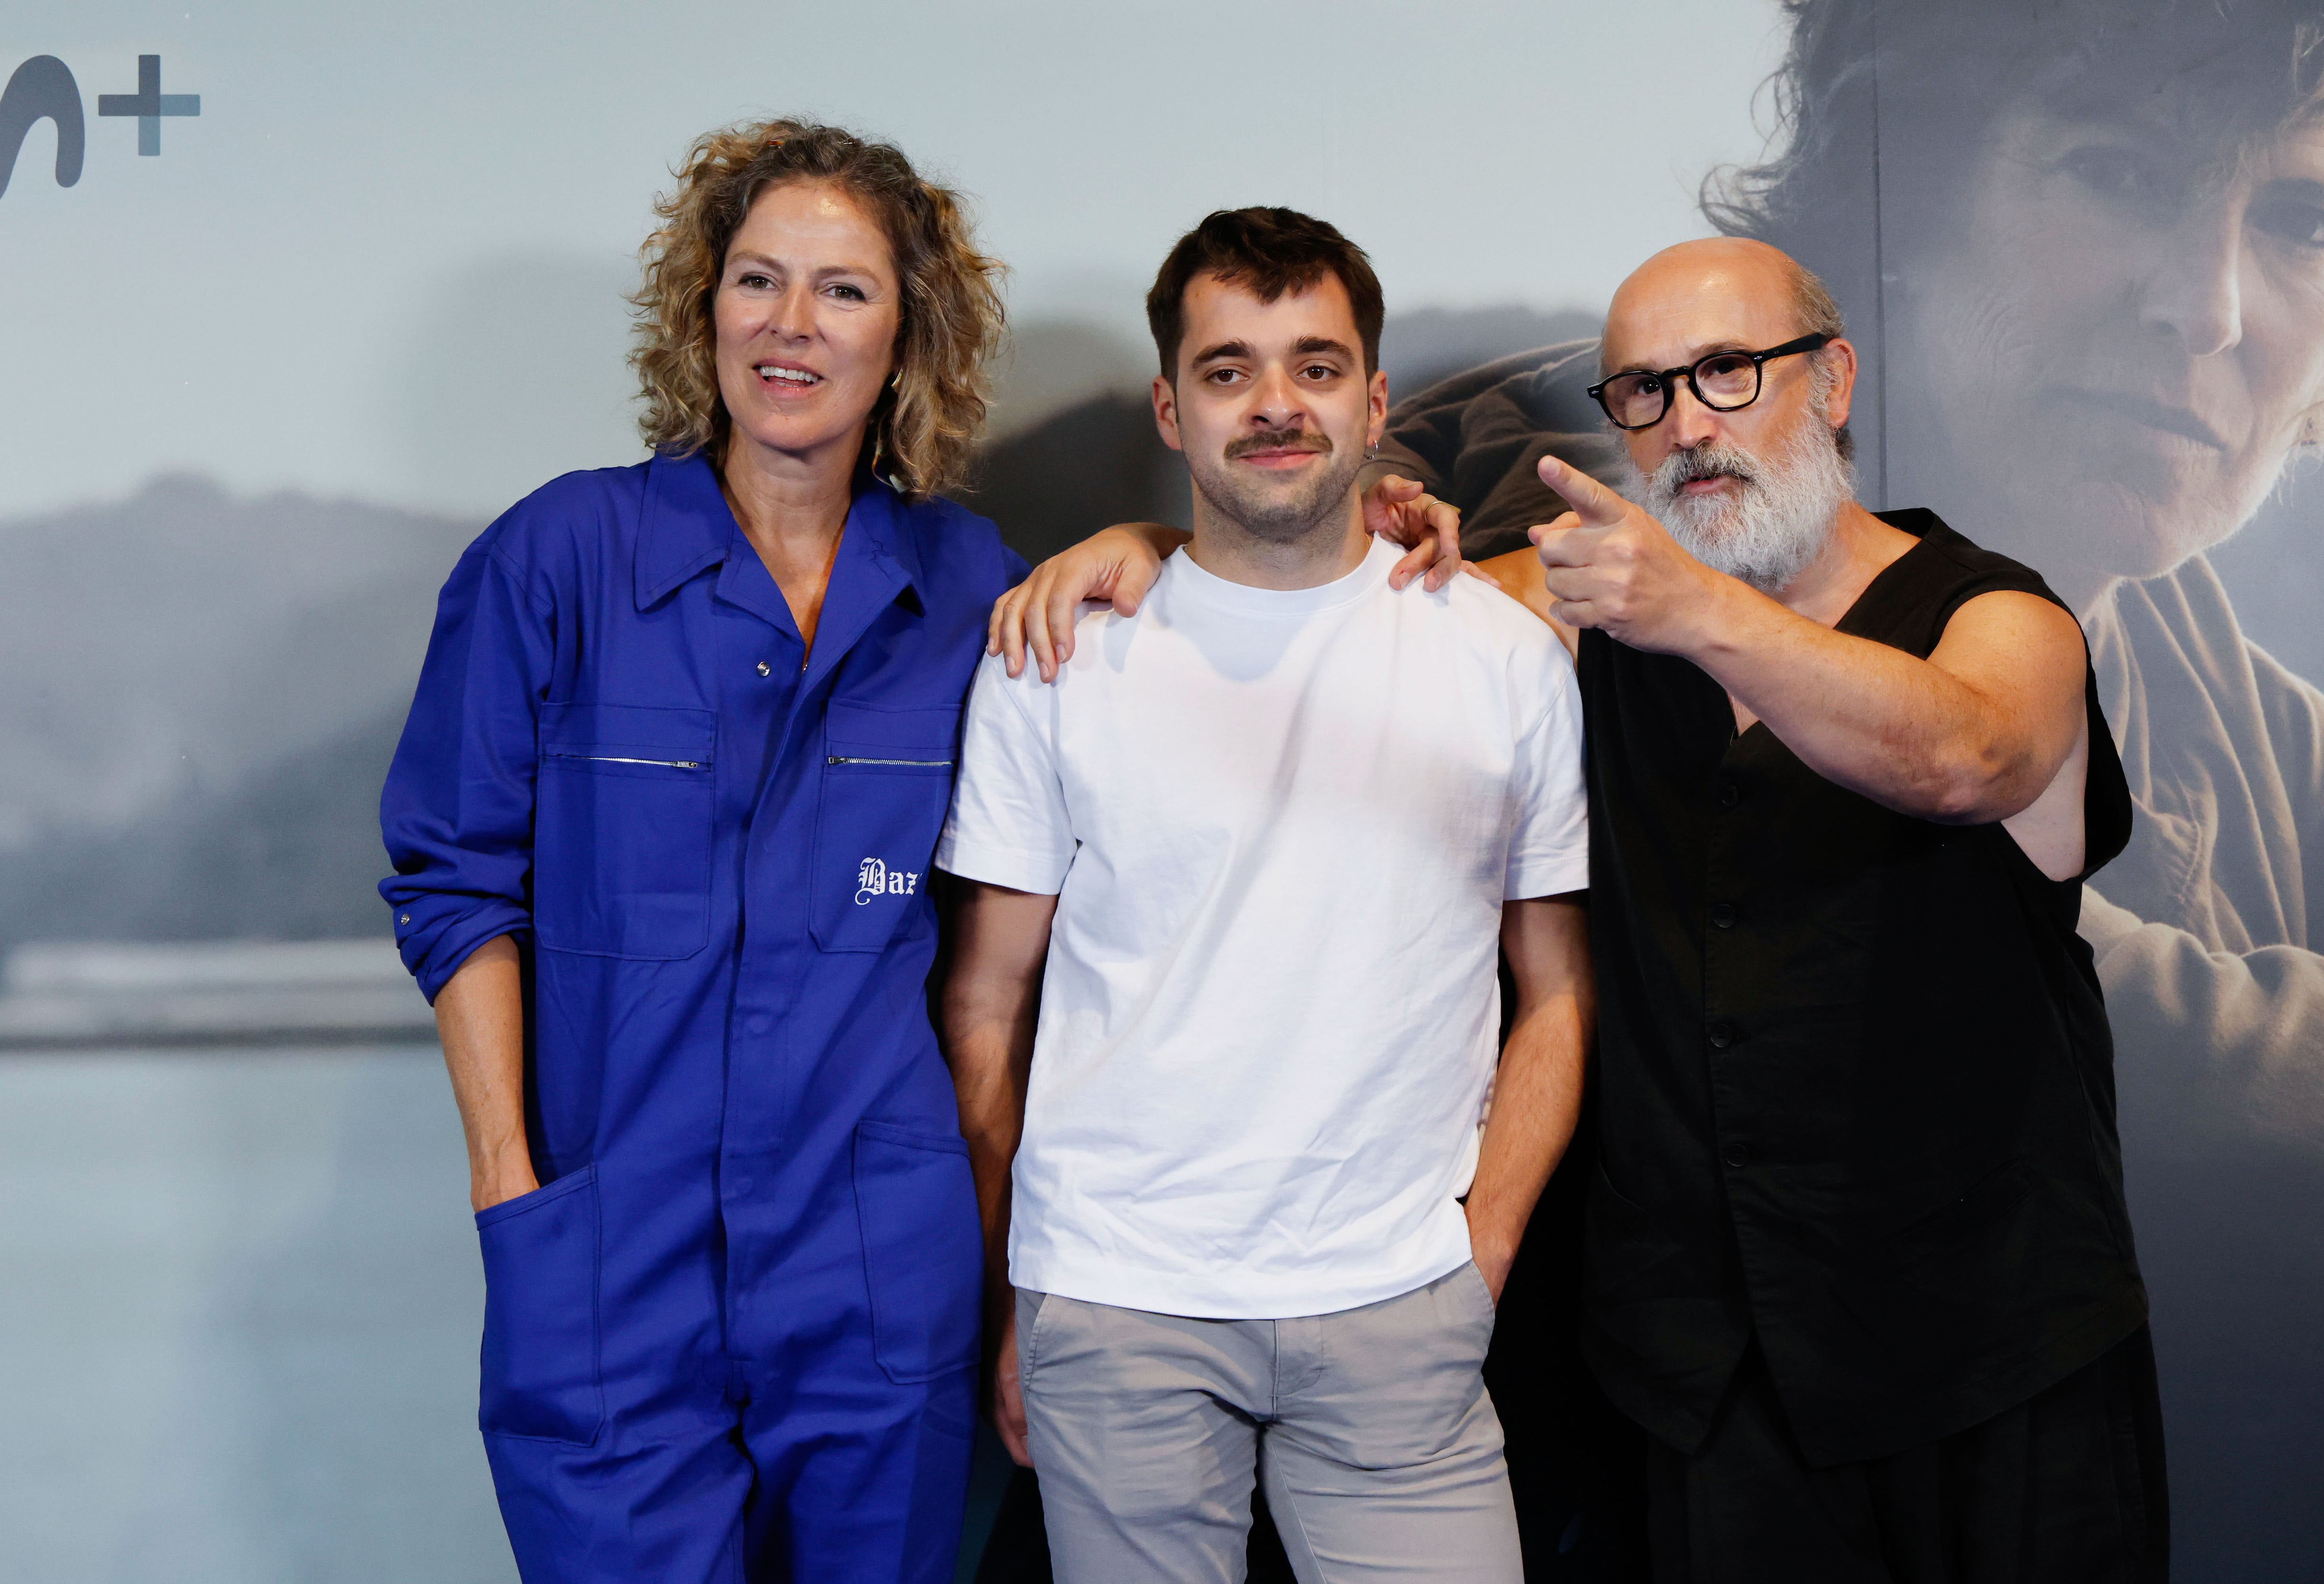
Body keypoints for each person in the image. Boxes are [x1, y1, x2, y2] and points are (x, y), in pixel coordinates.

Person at [1002, 236, 2165, 1581]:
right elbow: (1300, 580)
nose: (1688, 427)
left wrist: (1705, 611)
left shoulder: (2000, 616)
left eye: (1728, 375)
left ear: (1833, 382)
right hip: (1714, 1390)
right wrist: (1147, 546)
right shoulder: (1585, 617)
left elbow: (1970, 758)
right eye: (1645, 395)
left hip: (1996, 1362)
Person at [377, 119, 1019, 1584]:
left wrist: (1141, 547)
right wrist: (508, 1186)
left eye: (844, 290)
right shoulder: (560, 558)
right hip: (609, 1261)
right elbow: (452, 880)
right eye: (757, 280)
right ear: (703, 309)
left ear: (907, 333)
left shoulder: (972, 582)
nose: (791, 326)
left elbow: (1181, 645)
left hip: (874, 1273)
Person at [935, 207, 1594, 1583]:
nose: (1277, 405)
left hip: (1400, 1309)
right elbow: (986, 997)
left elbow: (1559, 993)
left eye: (1316, 363)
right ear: (1171, 410)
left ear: (1376, 400)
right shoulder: (1057, 656)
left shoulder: (1504, 656)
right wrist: (1019, 1290)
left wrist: (1481, 1254)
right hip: (1118, 1307)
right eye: (1230, 370)